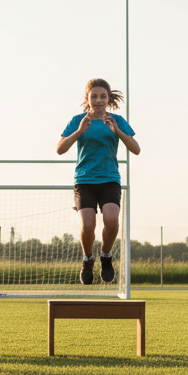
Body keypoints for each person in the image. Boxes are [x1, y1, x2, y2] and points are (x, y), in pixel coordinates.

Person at [56, 78, 139, 285]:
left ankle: (106, 256)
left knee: (111, 220)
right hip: (84, 180)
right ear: (88, 98)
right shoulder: (78, 120)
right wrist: (79, 132)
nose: (98, 100)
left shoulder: (117, 120)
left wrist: (117, 131)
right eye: (94, 96)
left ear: (108, 99)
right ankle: (87, 259)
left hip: (109, 179)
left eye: (103, 96)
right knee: (88, 224)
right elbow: (60, 149)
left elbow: (136, 149)